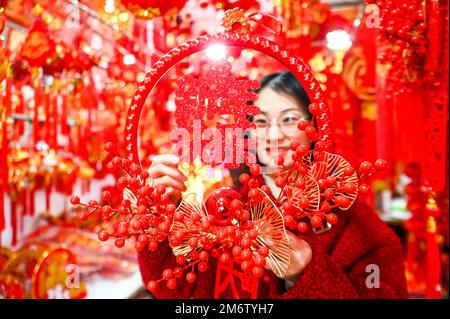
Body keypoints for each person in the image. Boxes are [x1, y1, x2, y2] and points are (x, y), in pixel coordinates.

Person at [138, 71, 408, 298]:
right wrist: (157, 216)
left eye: (289, 119)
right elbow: (175, 289)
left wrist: (307, 272)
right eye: (261, 121)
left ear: (316, 127)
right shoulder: (226, 208)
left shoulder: (358, 226)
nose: (274, 135)